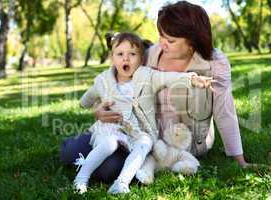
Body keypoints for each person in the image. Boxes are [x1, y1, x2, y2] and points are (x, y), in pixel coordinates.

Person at [60, 1, 250, 183]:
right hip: (136, 132)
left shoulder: (215, 63)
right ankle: (84, 148)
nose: (162, 43)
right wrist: (99, 110)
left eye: (170, 40)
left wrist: (239, 160)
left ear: (193, 41)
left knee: (108, 169)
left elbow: (225, 112)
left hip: (177, 144)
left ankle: (99, 162)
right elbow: (116, 82)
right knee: (70, 152)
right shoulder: (149, 54)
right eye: (161, 36)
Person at [73, 32, 212, 194]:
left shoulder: (147, 76)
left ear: (141, 59)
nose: (126, 59)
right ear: (113, 58)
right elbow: (85, 101)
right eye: (120, 54)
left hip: (137, 132)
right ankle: (81, 179)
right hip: (110, 129)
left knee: (145, 142)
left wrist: (191, 79)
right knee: (110, 143)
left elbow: (169, 78)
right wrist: (93, 107)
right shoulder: (103, 81)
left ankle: (121, 183)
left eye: (132, 54)